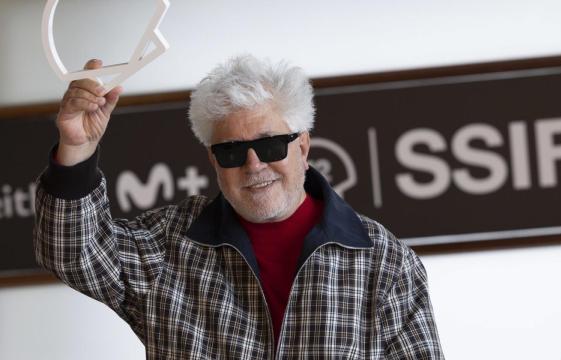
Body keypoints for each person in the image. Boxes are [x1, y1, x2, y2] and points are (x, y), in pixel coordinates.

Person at [34, 55, 444, 359]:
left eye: (269, 145)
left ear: (302, 146)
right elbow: (72, 253)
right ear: (213, 161)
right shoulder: (168, 247)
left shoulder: (384, 263)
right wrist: (77, 147)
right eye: (231, 151)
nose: (253, 164)